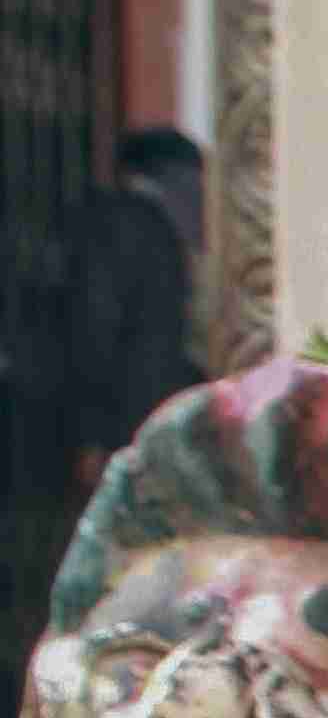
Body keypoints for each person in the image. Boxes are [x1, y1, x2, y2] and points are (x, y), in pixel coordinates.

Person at [57, 126, 207, 492]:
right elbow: (96, 330)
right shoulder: (127, 226)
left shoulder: (130, 224)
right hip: (128, 421)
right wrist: (91, 434)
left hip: (135, 420)